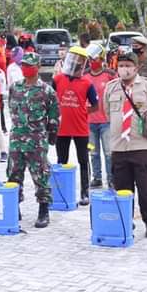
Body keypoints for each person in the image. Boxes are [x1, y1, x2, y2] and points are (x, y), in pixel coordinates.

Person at [104, 52, 147, 237]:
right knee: (122, 189)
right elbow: (107, 113)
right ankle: (125, 221)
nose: (125, 69)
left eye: (128, 65)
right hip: (119, 147)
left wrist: (146, 126)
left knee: (145, 188)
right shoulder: (111, 88)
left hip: (142, 146)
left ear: (136, 68)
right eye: (121, 65)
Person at [7, 52, 59, 228]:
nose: (25, 68)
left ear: (37, 67)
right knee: (13, 174)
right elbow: (11, 111)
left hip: (36, 140)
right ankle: (14, 207)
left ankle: (43, 210)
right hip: (16, 139)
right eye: (23, 65)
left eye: (29, 65)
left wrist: (50, 137)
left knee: (41, 175)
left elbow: (53, 117)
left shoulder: (46, 91)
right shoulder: (15, 88)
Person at [53, 46, 99, 206]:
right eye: (74, 58)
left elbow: (96, 105)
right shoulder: (58, 79)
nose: (76, 62)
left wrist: (83, 111)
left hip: (80, 128)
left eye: (80, 60)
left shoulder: (87, 83)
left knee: (83, 160)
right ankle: (61, 190)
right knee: (61, 160)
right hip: (61, 128)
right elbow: (51, 100)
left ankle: (85, 192)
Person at [84, 46, 116, 188]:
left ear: (102, 59)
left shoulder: (110, 75)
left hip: (107, 121)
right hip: (89, 122)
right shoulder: (84, 76)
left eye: (95, 58)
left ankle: (111, 178)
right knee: (93, 152)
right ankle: (96, 177)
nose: (92, 61)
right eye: (90, 59)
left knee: (109, 152)